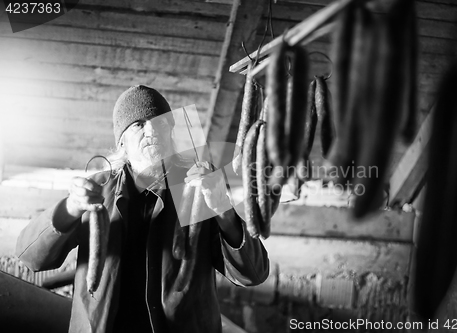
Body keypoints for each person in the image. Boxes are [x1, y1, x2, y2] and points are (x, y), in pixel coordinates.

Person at [16, 85, 270, 333]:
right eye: (139, 124)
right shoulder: (98, 190)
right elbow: (31, 258)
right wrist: (70, 208)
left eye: (160, 122)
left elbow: (253, 273)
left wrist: (224, 210)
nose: (152, 131)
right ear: (122, 141)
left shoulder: (196, 189)